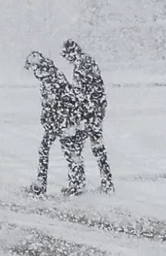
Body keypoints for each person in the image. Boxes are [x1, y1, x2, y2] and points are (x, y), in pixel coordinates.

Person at [25, 52, 86, 196]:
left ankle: (74, 184)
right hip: (58, 121)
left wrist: (60, 119)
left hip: (62, 122)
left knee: (67, 151)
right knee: (65, 151)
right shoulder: (49, 76)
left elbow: (63, 101)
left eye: (32, 68)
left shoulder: (52, 78)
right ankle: (75, 183)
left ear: (37, 66)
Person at [61, 40, 113, 193]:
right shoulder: (87, 62)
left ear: (71, 53)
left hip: (88, 113)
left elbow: (83, 92)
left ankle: (78, 184)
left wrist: (78, 111)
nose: (67, 59)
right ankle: (106, 182)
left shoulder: (82, 65)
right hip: (94, 112)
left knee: (74, 148)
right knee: (97, 148)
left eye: (67, 56)